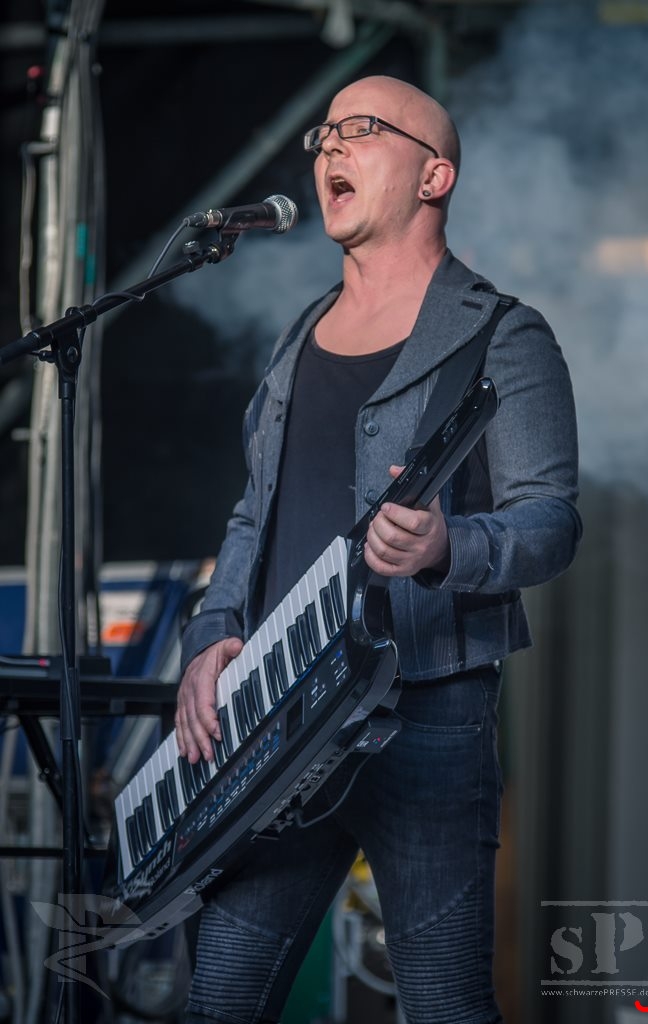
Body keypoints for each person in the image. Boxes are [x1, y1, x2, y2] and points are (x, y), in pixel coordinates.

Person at [174, 74, 581, 1024]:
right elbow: (252, 514)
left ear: (434, 176)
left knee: (444, 1006)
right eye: (323, 134)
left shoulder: (504, 335)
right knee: (218, 1002)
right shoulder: (299, 337)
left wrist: (447, 544)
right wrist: (209, 634)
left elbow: (550, 521)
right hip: (282, 723)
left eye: (360, 130)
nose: (330, 148)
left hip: (429, 723)